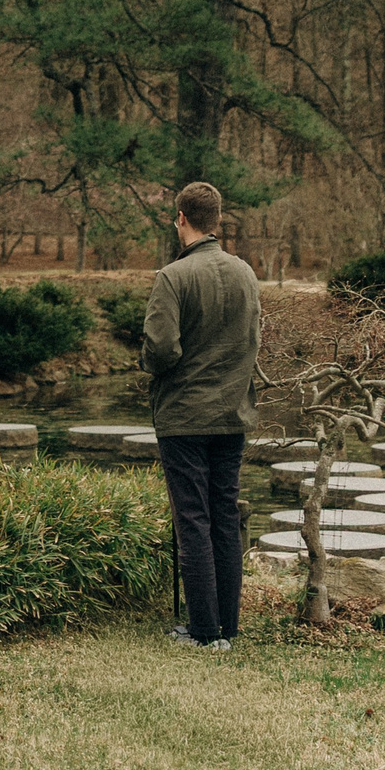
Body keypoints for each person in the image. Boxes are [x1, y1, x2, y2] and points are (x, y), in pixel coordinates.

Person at [145, 181, 261, 651]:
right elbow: (252, 341)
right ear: (217, 219)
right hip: (232, 413)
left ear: (181, 218)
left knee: (192, 519)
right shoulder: (245, 273)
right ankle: (226, 627)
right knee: (224, 516)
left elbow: (161, 348)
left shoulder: (172, 276)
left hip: (185, 417)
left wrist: (150, 366)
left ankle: (204, 631)